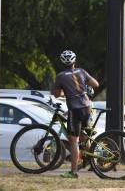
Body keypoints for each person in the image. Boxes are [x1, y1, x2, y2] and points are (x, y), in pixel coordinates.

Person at [53, 50, 99, 178]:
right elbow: (96, 84)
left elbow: (56, 94)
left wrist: (64, 91)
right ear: (74, 61)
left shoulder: (61, 76)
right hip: (87, 107)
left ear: (62, 62)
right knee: (84, 135)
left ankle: (73, 172)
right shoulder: (82, 71)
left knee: (74, 141)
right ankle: (93, 158)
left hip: (75, 109)